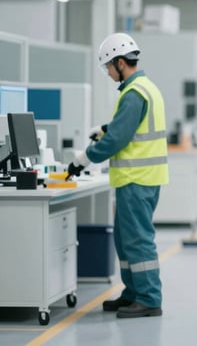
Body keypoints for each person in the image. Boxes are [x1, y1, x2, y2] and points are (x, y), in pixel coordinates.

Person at [67, 32, 166, 318]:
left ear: (121, 62)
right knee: (125, 239)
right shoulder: (145, 88)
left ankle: (149, 298)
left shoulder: (134, 94)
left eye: (109, 67)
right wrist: (105, 128)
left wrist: (82, 159)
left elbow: (117, 141)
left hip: (138, 178)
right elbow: (125, 127)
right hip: (140, 178)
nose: (108, 73)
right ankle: (133, 292)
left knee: (137, 240)